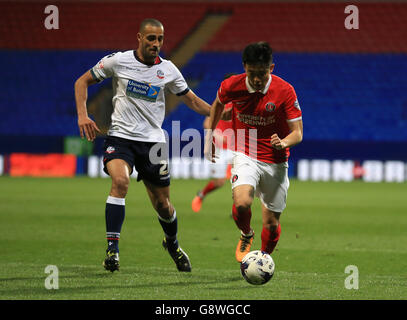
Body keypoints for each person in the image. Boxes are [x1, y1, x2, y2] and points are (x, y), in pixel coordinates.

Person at [74, 18, 211, 272]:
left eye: (160, 39)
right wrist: (83, 115)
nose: (156, 44)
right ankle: (112, 251)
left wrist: (218, 113)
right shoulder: (118, 61)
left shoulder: (168, 70)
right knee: (120, 182)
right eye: (151, 38)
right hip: (121, 138)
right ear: (139, 38)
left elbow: (192, 101)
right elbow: (81, 82)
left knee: (163, 205)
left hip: (153, 144)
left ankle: (172, 243)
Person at [204, 42, 303, 262]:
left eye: (262, 73)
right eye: (252, 73)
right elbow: (218, 105)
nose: (257, 79)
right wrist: (210, 135)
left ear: (272, 68)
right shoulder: (232, 85)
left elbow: (298, 133)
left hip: (276, 161)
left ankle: (262, 259)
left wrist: (284, 142)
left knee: (271, 223)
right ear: (244, 67)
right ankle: (246, 233)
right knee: (241, 204)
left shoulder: (285, 91)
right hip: (245, 153)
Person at [191, 74, 236, 213]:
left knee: (240, 180)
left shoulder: (241, 103)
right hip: (220, 149)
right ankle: (201, 195)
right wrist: (217, 134)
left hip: (236, 148)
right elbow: (206, 123)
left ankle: (239, 211)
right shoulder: (219, 102)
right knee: (219, 182)